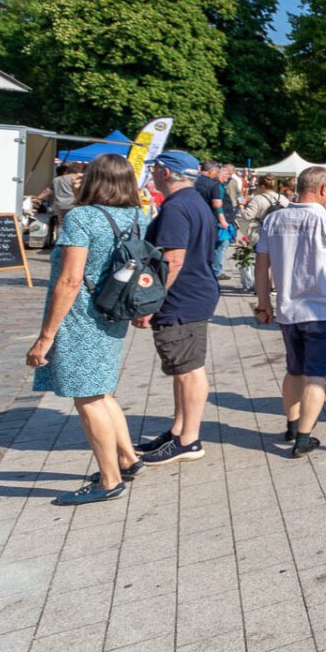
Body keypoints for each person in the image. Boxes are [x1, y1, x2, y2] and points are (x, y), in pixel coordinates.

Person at [25, 154, 149, 504]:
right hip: (113, 310)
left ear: (96, 179)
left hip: (82, 315)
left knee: (88, 397)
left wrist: (46, 337)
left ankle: (109, 481)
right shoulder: (138, 215)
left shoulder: (83, 217)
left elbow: (70, 280)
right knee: (101, 390)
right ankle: (128, 459)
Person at [254, 166, 326, 458]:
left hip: (288, 310)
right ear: (324, 189)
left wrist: (264, 303)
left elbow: (261, 266)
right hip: (323, 310)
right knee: (316, 376)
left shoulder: (274, 219)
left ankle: (292, 425)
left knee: (294, 370)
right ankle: (303, 438)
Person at [132, 152, 220, 467]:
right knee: (183, 368)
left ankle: (188, 440)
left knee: (189, 370)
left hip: (182, 297)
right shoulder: (194, 201)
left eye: (155, 169)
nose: (152, 174)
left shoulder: (176, 207)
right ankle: (179, 431)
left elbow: (174, 259)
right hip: (193, 294)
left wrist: (151, 301)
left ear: (165, 172)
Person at [194, 161, 233, 280]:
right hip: (208, 219)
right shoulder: (213, 184)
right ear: (211, 171)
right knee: (210, 247)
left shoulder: (192, 181)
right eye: (216, 171)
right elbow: (217, 205)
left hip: (193, 217)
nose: (216, 174)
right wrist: (223, 220)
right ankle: (207, 273)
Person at [236, 174, 289, 242]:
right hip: (278, 235)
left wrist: (241, 206)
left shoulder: (258, 199)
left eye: (257, 185)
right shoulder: (284, 198)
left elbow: (247, 216)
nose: (256, 187)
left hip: (259, 235)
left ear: (262, 186)